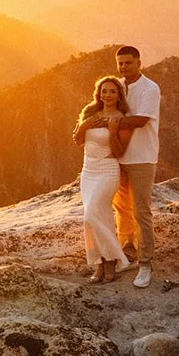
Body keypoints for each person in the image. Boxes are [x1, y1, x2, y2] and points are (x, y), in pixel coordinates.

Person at [71, 76, 133, 283]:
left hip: (107, 169)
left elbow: (119, 152)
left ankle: (115, 258)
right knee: (102, 217)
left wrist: (114, 133)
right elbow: (78, 141)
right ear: (98, 93)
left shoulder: (121, 118)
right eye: (104, 91)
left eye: (112, 91)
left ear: (118, 95)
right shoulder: (90, 113)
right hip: (88, 170)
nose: (107, 95)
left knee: (90, 216)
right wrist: (84, 125)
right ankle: (102, 264)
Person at [111, 45, 162, 287]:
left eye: (128, 62)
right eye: (120, 63)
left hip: (142, 157)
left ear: (139, 62)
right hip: (119, 157)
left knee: (141, 210)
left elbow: (141, 120)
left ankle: (145, 263)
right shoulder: (118, 87)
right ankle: (128, 251)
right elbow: (104, 105)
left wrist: (111, 122)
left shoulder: (150, 88)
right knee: (122, 209)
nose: (124, 67)